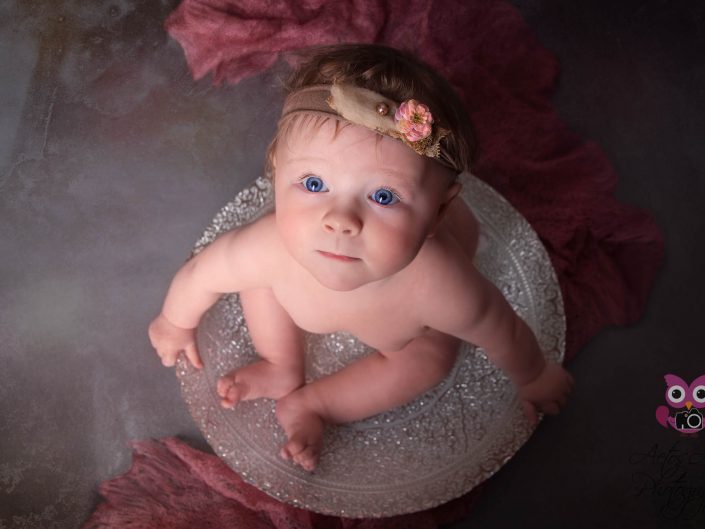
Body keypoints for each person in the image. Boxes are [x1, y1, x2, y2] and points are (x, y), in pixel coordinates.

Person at [148, 44, 574, 472]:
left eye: (383, 196)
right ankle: (281, 364)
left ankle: (317, 404)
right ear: (277, 173)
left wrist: (533, 375)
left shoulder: (440, 286)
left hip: (405, 333)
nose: (340, 220)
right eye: (313, 183)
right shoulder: (270, 246)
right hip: (289, 283)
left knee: (431, 358)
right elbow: (202, 274)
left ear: (438, 213)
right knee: (253, 281)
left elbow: (499, 328)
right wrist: (174, 321)